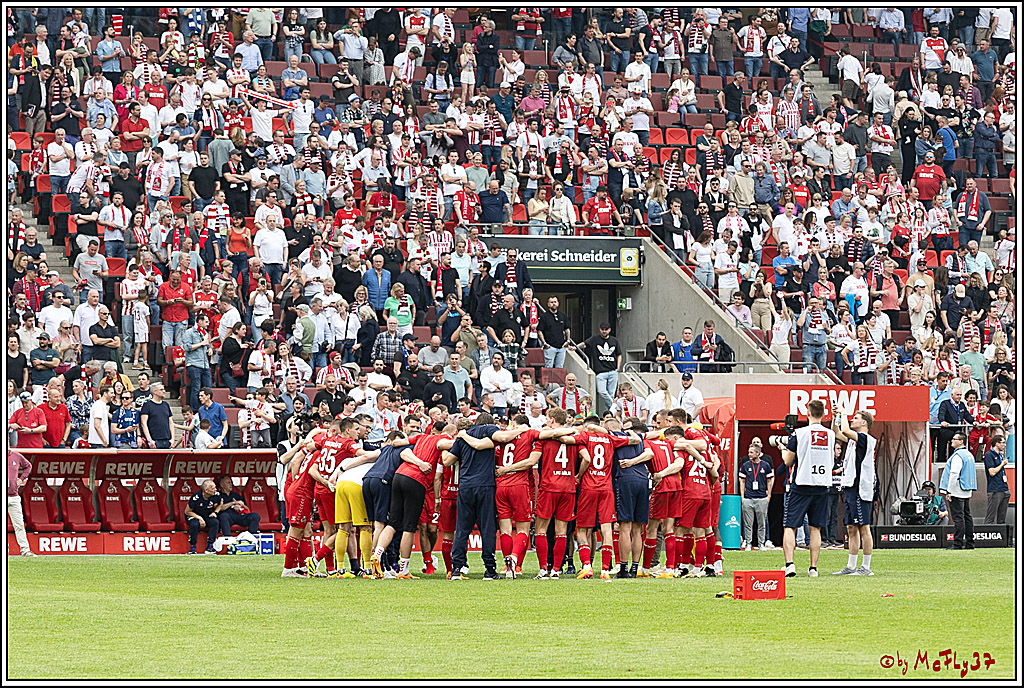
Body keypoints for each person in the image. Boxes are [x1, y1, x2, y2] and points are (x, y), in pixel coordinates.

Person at [442, 414, 505, 580]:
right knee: (487, 528)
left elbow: (448, 461)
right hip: (485, 485)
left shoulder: (463, 438)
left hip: (465, 486)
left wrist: (443, 448)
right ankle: (490, 570)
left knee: (462, 528)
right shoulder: (489, 431)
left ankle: (456, 568)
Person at [780, 399, 834, 577]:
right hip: (822, 484)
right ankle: (813, 568)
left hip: (802, 483)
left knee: (790, 525)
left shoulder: (799, 433)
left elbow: (788, 461)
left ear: (808, 413)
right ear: (823, 414)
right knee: (815, 527)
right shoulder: (830, 434)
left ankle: (790, 564)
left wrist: (783, 449)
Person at [831, 410, 877, 576]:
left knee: (864, 527)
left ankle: (866, 566)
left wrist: (843, 413)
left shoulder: (865, 439)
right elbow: (837, 431)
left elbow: (844, 431)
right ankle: (851, 565)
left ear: (864, 422)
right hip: (851, 486)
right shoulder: (853, 440)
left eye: (856, 418)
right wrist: (835, 416)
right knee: (851, 527)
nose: (852, 420)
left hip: (860, 488)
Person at [938, 433, 976, 549]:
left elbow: (954, 474)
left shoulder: (958, 456)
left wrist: (949, 491)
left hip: (956, 489)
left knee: (958, 518)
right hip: (966, 489)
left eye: (955, 439)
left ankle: (958, 543)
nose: (952, 441)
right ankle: (970, 542)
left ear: (961, 441)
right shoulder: (969, 455)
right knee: (967, 517)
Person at [579, 323, 622, 414]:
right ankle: (614, 406)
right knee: (602, 391)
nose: (604, 331)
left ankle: (609, 415)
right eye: (602, 329)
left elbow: (619, 354)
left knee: (610, 394)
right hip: (600, 372)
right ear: (600, 329)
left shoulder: (614, 340)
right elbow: (584, 344)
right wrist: (575, 347)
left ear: (609, 330)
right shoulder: (595, 339)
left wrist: (618, 367)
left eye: (606, 329)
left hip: (612, 371)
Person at [738, 441, 774, 550]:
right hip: (748, 497)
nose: (749, 454)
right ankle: (748, 543)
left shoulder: (765, 465)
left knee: (761, 523)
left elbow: (770, 480)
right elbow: (742, 480)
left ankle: (761, 543)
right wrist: (743, 496)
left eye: (751, 452)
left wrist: (769, 494)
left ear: (758, 453)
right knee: (748, 523)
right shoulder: (745, 465)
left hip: (762, 497)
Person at [184, 478, 224, 555]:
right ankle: (192, 547)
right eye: (213, 488)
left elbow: (220, 503)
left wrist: (215, 512)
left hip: (206, 514)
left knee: (215, 522)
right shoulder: (196, 497)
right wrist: (200, 518)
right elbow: (187, 511)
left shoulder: (216, 495)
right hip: (193, 514)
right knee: (194, 524)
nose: (215, 490)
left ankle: (210, 546)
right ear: (206, 490)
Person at [7, 450, 35, 556]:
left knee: (19, 524)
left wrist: (21, 479)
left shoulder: (16, 456)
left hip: (14, 497)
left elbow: (28, 466)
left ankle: (25, 550)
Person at [983, 435, 1009, 525]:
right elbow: (992, 472)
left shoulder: (1000, 455)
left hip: (1004, 487)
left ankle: (1002, 536)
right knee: (991, 516)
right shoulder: (989, 455)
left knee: (1002, 518)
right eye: (1003, 443)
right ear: (997, 443)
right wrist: (1002, 464)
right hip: (995, 489)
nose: (1005, 445)